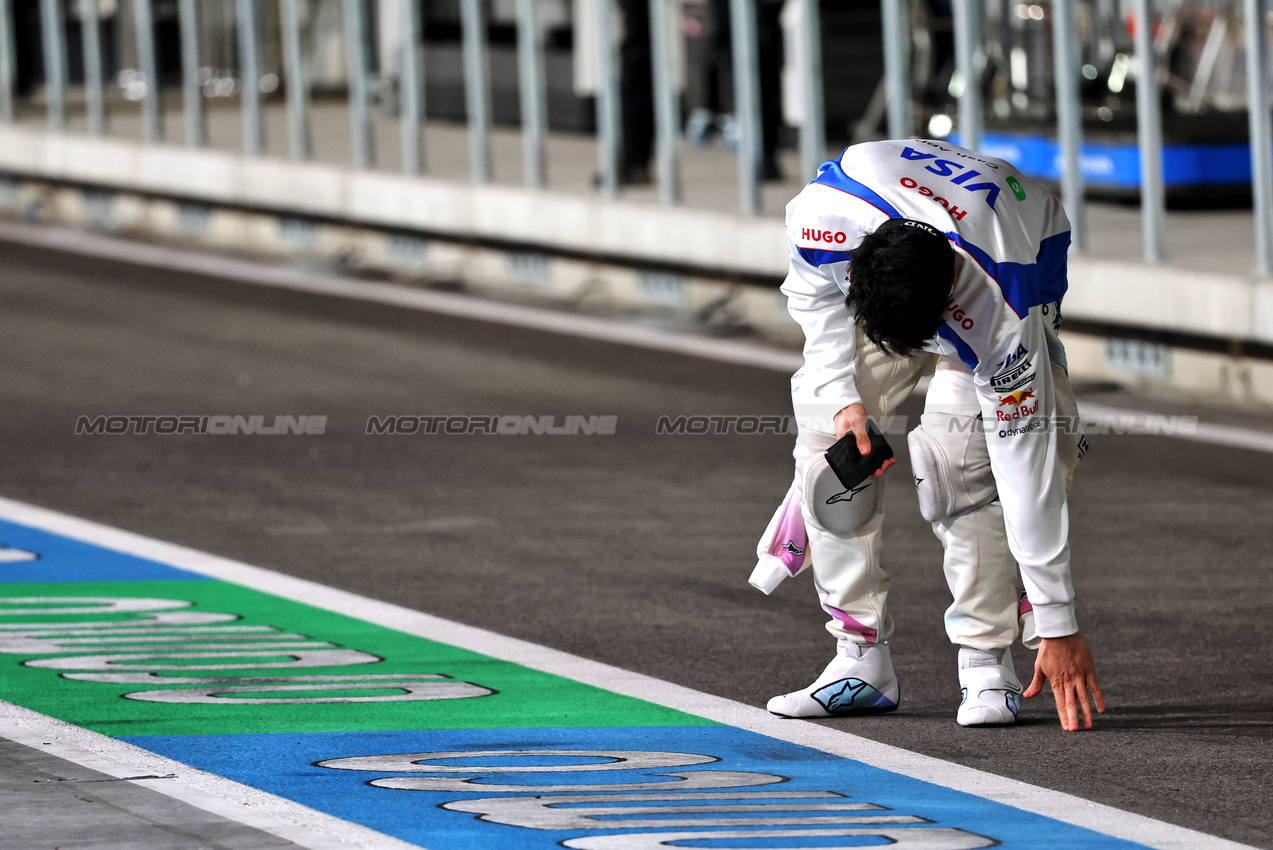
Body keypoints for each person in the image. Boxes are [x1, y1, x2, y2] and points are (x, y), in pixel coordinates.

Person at [750, 138, 1105, 731]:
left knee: (962, 469)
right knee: (828, 455)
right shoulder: (820, 219)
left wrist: (1058, 620)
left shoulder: (1000, 311)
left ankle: (988, 663)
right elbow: (815, 308)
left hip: (1019, 247)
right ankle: (859, 662)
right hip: (905, 240)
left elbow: (1027, 466)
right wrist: (843, 403)